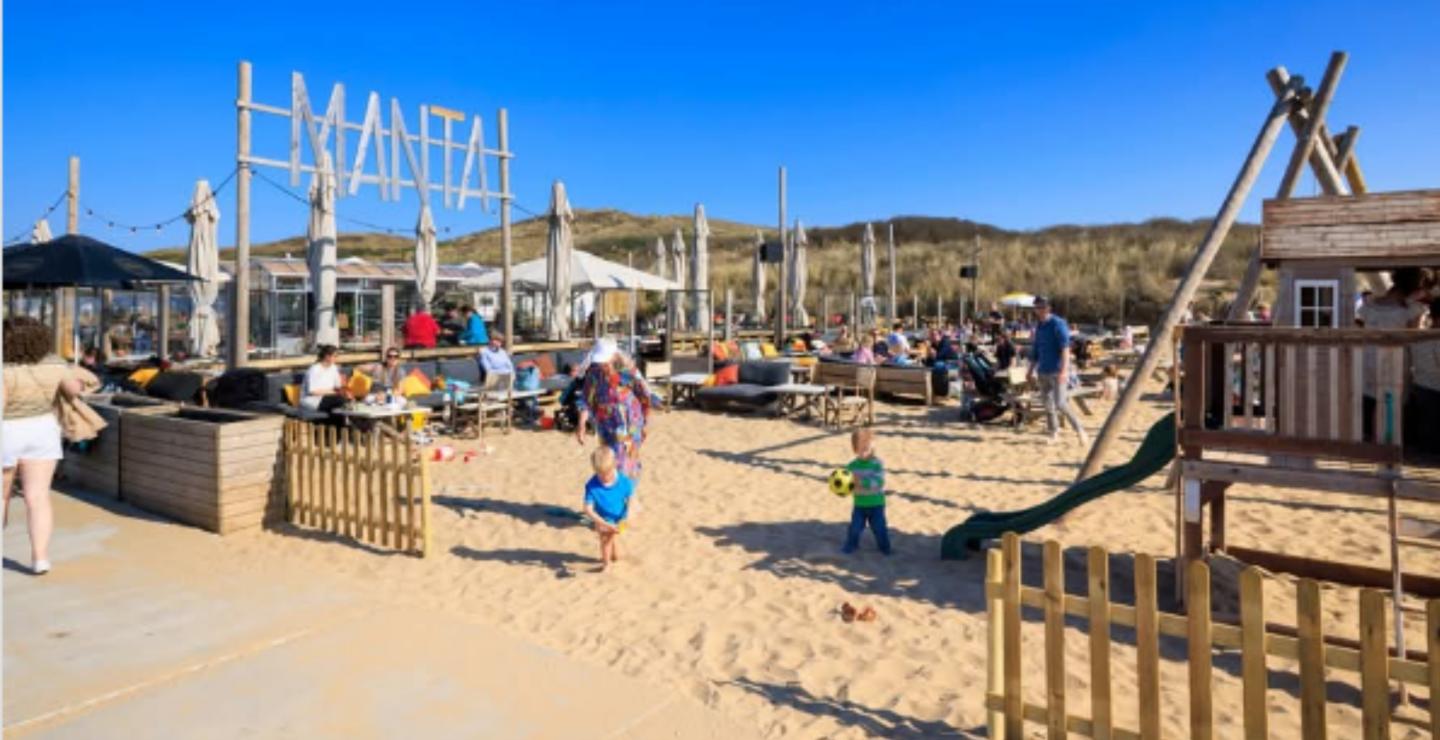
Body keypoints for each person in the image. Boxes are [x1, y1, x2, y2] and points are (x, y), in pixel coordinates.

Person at [3, 317, 99, 575]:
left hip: (8, 431)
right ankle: (40, 558)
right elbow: (74, 390)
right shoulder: (55, 364)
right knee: (38, 498)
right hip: (42, 430)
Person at [1357, 268, 1426, 441]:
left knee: (1375, 401)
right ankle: (1386, 442)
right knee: (1391, 403)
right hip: (1395, 359)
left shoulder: (1370, 305)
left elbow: (1365, 312)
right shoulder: (1411, 310)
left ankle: (1377, 440)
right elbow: (1413, 338)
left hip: (1370, 358)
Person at [575, 339, 657, 481]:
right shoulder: (594, 373)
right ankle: (617, 497)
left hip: (628, 422)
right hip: (605, 424)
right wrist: (581, 425)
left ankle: (626, 496)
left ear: (614, 356)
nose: (602, 365)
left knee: (625, 460)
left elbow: (645, 395)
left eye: (605, 361)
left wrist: (646, 422)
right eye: (600, 362)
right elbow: (587, 400)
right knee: (608, 461)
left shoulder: (628, 371)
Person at [1027, 296, 1088, 444]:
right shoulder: (1039, 326)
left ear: (1048, 308)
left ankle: (1079, 429)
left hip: (1057, 369)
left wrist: (1064, 371)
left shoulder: (1058, 324)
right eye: (1037, 307)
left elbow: (1065, 349)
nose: (1039, 310)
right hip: (1043, 370)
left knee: (1060, 402)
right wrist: (1030, 369)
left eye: (1041, 307)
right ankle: (1053, 432)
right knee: (1048, 404)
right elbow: (1036, 349)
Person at [583, 446, 636, 573]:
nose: (604, 478)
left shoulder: (624, 481)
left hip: (620, 517)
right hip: (603, 518)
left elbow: (631, 500)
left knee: (612, 536)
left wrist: (628, 516)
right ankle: (606, 564)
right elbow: (587, 508)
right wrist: (602, 522)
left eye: (608, 474)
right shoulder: (592, 485)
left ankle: (614, 556)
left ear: (615, 466)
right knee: (605, 539)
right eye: (600, 475)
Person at [841, 428, 890, 555]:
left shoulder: (877, 464)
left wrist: (862, 482)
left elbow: (879, 482)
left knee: (879, 528)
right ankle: (851, 545)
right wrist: (843, 488)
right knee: (855, 528)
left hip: (876, 504)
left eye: (867, 448)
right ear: (855, 449)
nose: (864, 452)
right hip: (859, 504)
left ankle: (885, 547)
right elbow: (845, 482)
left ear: (873, 448)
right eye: (860, 449)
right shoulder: (851, 466)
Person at [1410, 296, 1440, 455]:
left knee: (1425, 424)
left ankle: (1424, 454)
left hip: (1420, 384)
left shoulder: (1420, 336)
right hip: (1435, 387)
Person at [301, 345, 351, 422]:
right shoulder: (315, 369)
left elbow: (338, 386)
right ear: (327, 357)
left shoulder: (333, 367)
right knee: (340, 400)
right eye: (335, 356)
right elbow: (313, 391)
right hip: (313, 400)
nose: (336, 358)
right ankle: (342, 426)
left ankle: (342, 427)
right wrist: (335, 392)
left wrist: (345, 390)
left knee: (346, 399)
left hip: (328, 397)